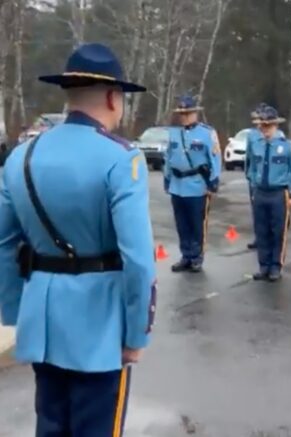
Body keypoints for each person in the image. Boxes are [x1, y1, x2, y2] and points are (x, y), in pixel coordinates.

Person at [0, 43, 156, 437]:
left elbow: (3, 243)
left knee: (51, 427)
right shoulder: (121, 158)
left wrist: (15, 314)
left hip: (42, 325)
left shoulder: (21, 157)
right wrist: (137, 333)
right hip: (100, 332)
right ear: (112, 97)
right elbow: (138, 260)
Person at [164, 94, 222, 273]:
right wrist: (167, 178)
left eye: (188, 113)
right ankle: (186, 255)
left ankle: (197, 256)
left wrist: (213, 181)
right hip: (177, 185)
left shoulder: (206, 133)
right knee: (181, 224)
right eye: (182, 114)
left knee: (197, 224)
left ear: (195, 113)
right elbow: (168, 157)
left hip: (197, 185)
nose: (184, 117)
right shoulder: (174, 133)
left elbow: (215, 157)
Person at [246, 106, 291, 281]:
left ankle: (276, 266)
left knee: (278, 231)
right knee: (261, 230)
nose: (265, 129)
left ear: (275, 125)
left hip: (278, 193)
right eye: (262, 126)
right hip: (261, 192)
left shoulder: (287, 146)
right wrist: (254, 184)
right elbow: (252, 167)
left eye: (268, 126)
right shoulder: (256, 144)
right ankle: (264, 266)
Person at [246, 105, 265, 250]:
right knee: (257, 211)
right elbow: (249, 157)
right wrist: (249, 175)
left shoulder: (277, 134)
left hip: (270, 180)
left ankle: (269, 238)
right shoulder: (252, 135)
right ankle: (259, 237)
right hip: (255, 179)